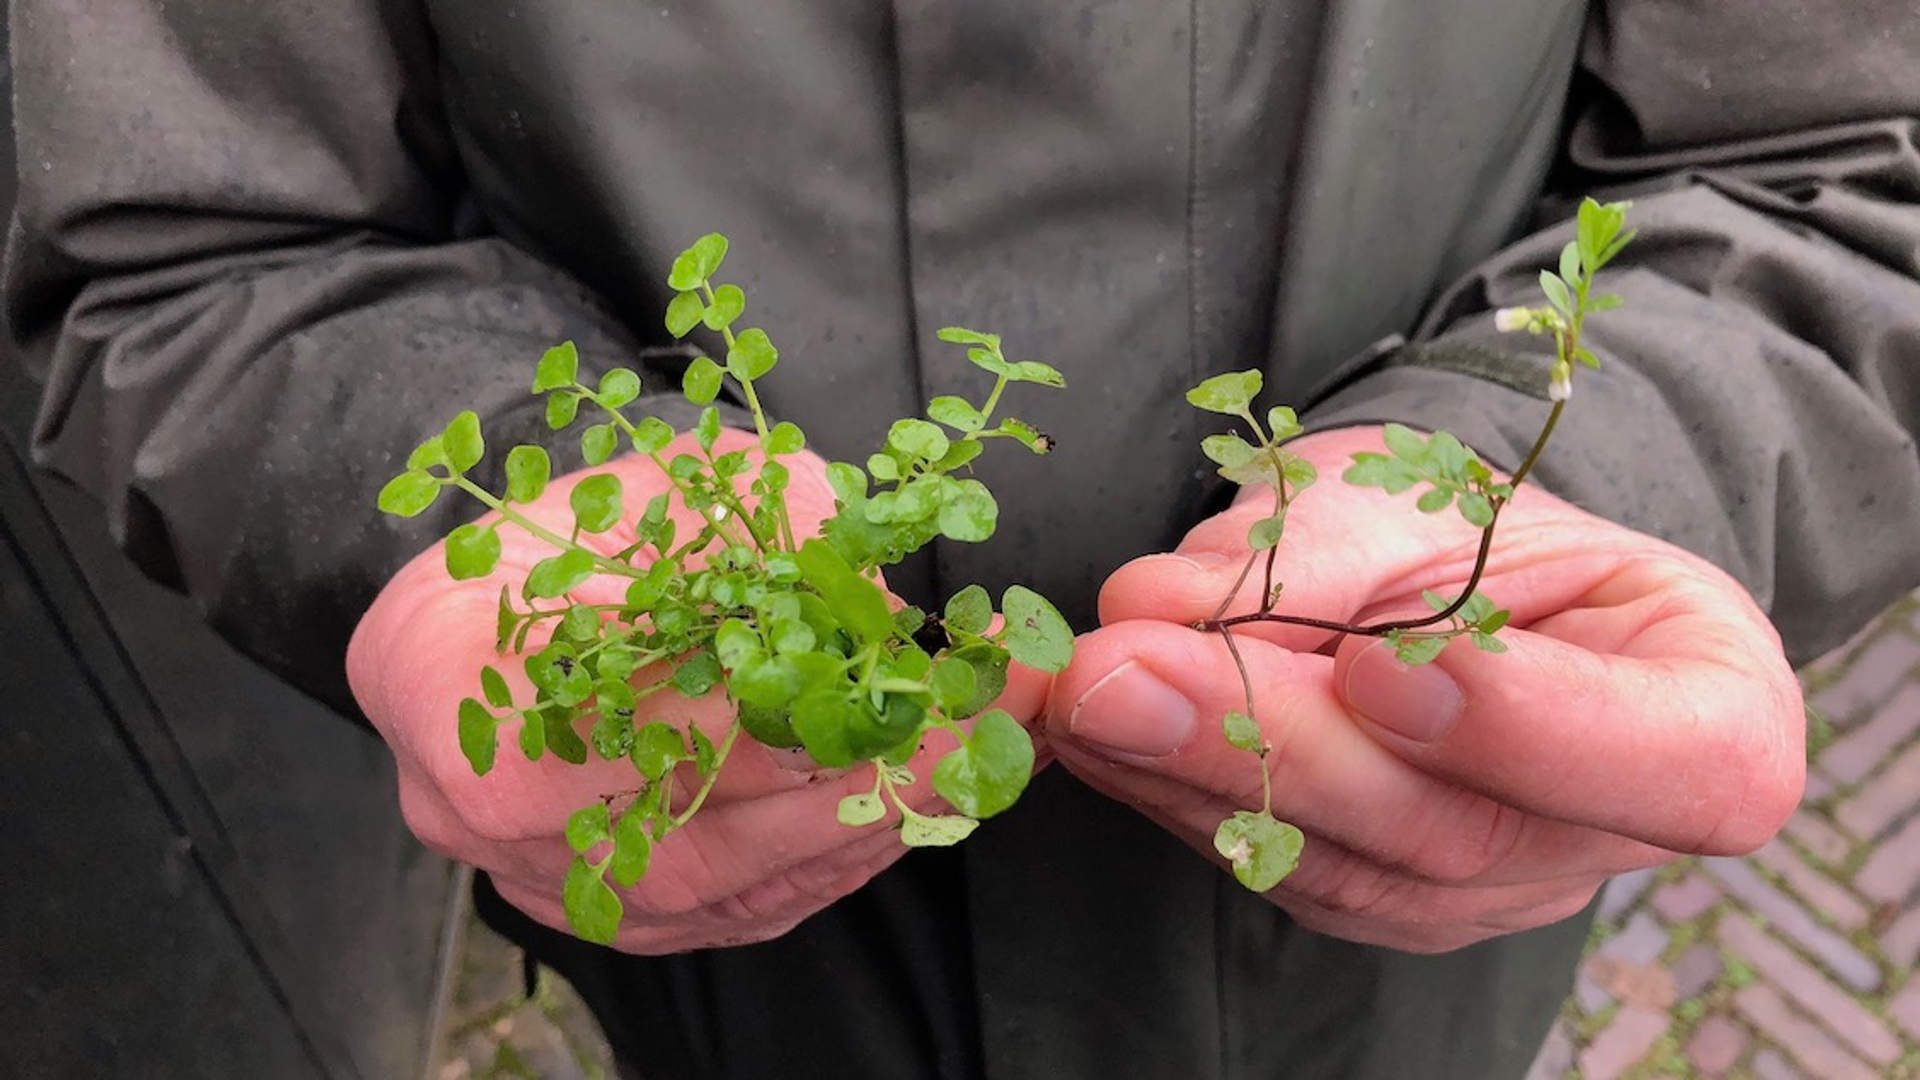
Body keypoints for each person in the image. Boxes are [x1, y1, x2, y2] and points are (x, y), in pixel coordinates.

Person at [8, 2, 1918, 1077]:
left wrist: (1564, 494)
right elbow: (202, 243)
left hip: (1368, 968)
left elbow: (1836, 168)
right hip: (746, 951)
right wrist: (491, 505)